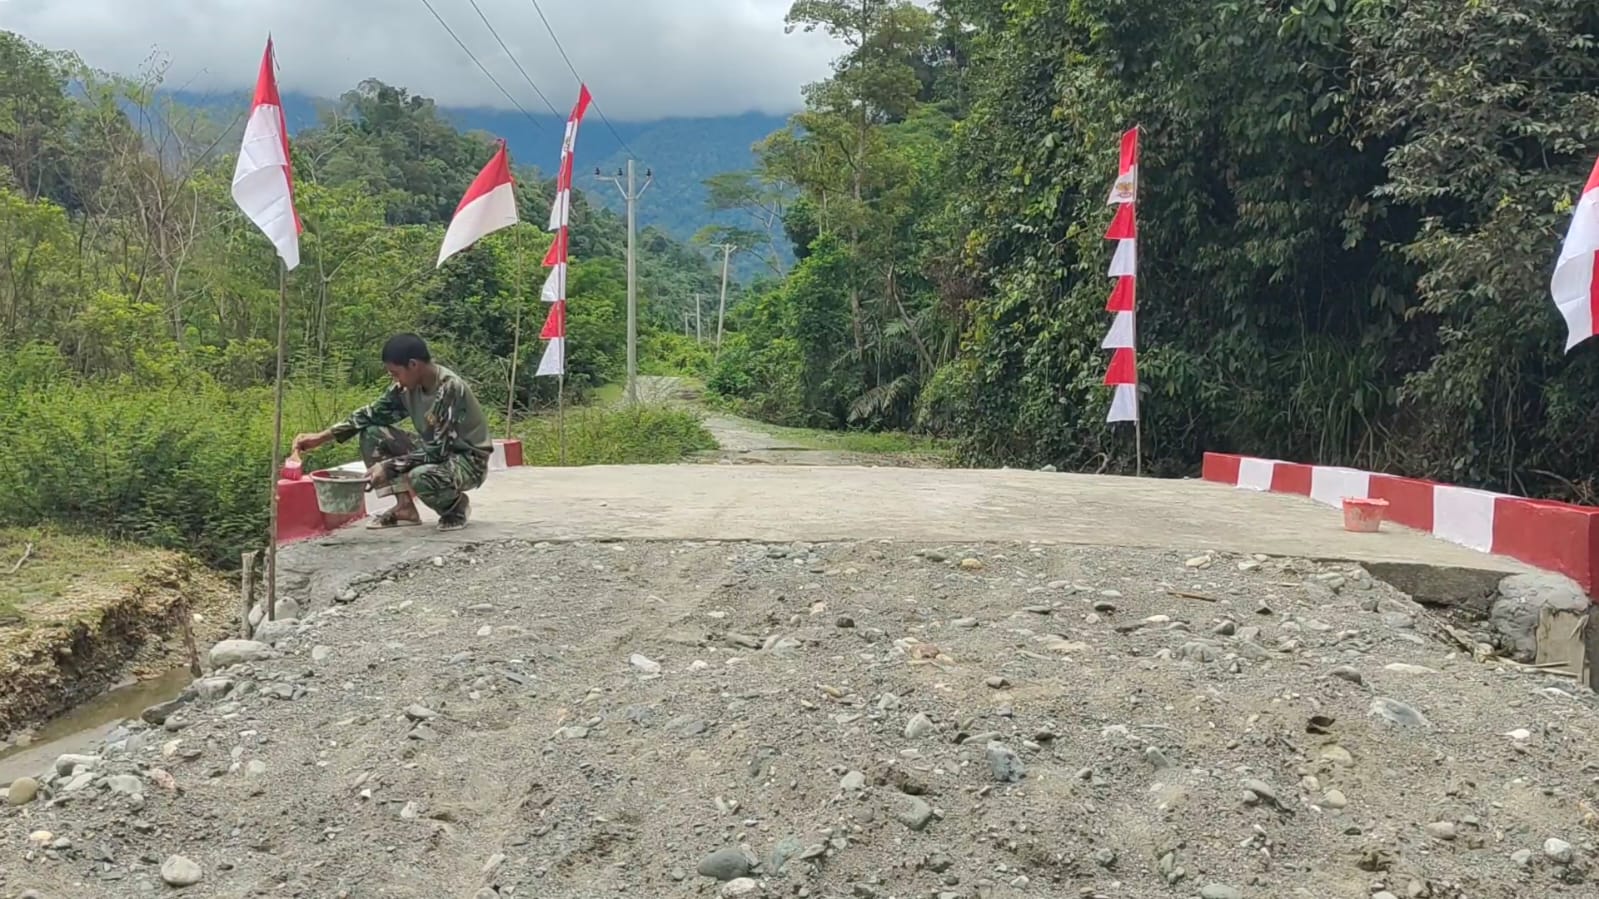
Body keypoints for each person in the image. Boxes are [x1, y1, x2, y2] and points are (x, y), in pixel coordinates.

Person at [293, 333, 491, 531]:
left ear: (413, 365)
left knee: (421, 476)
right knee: (372, 433)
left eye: (396, 373)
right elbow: (370, 414)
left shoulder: (449, 389)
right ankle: (405, 508)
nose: (395, 380)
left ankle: (455, 508)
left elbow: (439, 450)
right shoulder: (407, 388)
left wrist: (388, 467)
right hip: (435, 451)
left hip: (468, 460)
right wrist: (321, 437)